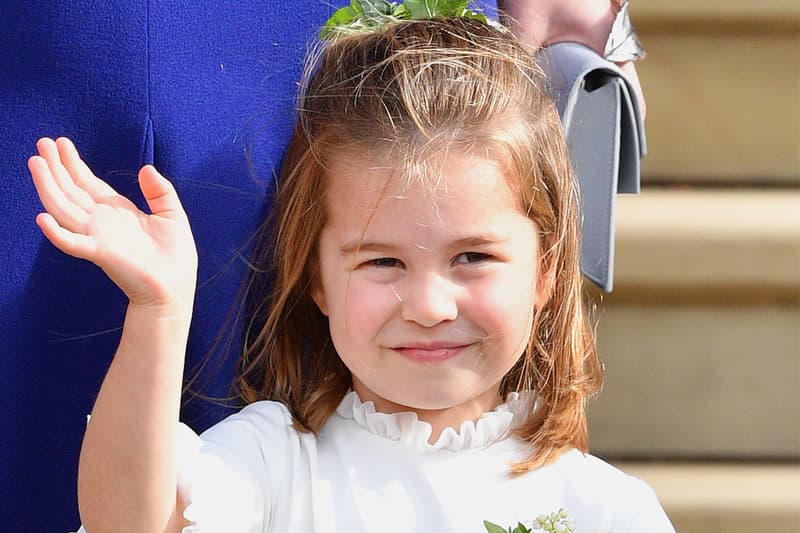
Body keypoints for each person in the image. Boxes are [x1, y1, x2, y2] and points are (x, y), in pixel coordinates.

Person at [31, 10, 669, 533]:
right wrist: (160, 313)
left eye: (472, 257)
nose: (428, 305)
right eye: (384, 261)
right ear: (316, 277)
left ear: (545, 273)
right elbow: (128, 524)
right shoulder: (275, 462)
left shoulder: (609, 509)